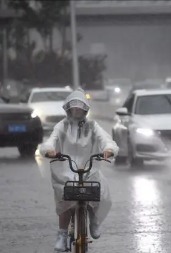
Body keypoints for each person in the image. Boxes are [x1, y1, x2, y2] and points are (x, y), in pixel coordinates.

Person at [39, 88, 119, 252]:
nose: (76, 111)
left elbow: (106, 140)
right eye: (73, 108)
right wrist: (49, 151)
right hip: (65, 170)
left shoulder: (93, 126)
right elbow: (50, 142)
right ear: (68, 109)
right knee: (65, 200)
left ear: (85, 109)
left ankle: (94, 219)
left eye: (79, 108)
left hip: (89, 169)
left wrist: (108, 150)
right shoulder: (61, 126)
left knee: (99, 192)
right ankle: (62, 234)